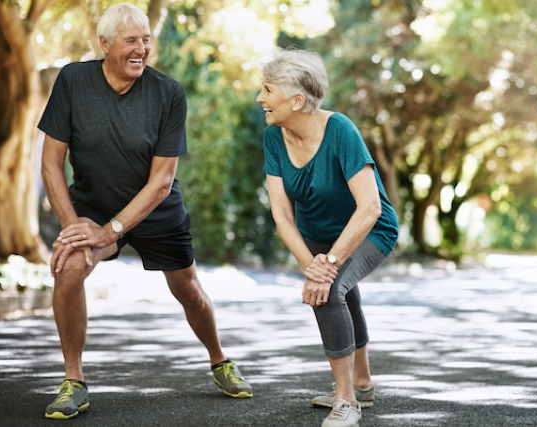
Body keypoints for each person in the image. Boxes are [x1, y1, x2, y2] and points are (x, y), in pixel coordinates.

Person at [38, 3, 252, 420]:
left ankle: (219, 359)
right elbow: (50, 163)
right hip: (94, 206)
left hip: (155, 209)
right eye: (131, 40)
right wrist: (72, 228)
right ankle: (73, 381)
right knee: (68, 267)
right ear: (104, 44)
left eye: (146, 39)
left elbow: (161, 182)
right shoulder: (72, 80)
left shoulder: (168, 93)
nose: (142, 49)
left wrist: (112, 231)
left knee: (188, 290)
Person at [256, 48, 399, 427]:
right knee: (342, 292)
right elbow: (282, 213)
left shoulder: (340, 131)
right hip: (318, 239)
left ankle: (347, 400)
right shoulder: (274, 135)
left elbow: (369, 208)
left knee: (330, 292)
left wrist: (328, 267)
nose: (260, 98)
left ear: (297, 99)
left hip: (370, 229)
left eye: (267, 90)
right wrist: (311, 264)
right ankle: (363, 384)